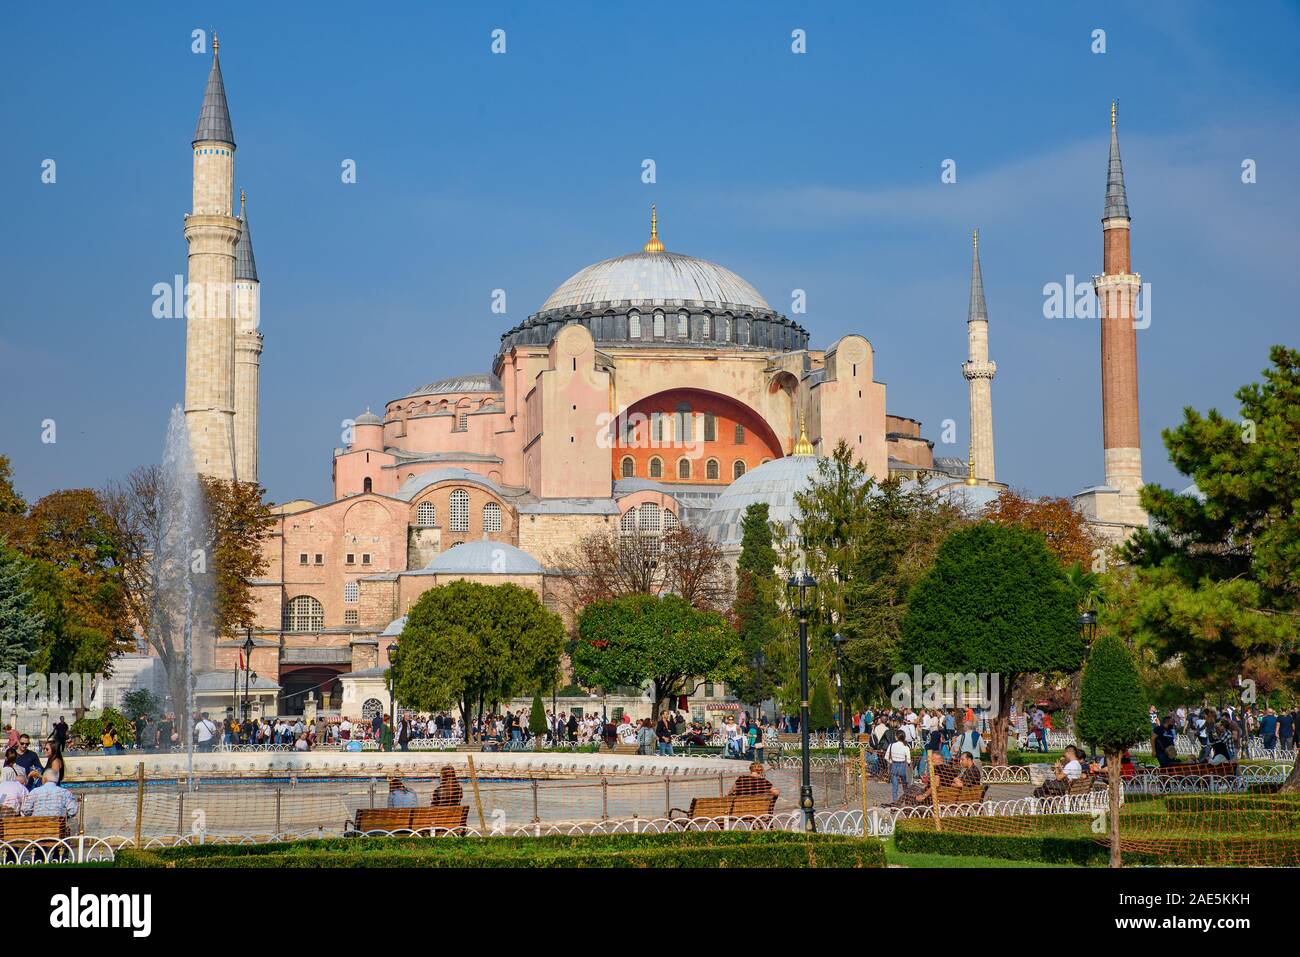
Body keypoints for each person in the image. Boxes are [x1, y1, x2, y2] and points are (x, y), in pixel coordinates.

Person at [887, 734, 911, 802]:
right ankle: (907, 800)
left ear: (896, 737)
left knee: (895, 786)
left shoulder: (891, 745)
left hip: (894, 765)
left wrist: (891, 761)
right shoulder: (906, 747)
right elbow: (909, 760)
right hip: (903, 765)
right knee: (905, 784)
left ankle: (895, 801)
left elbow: (887, 757)